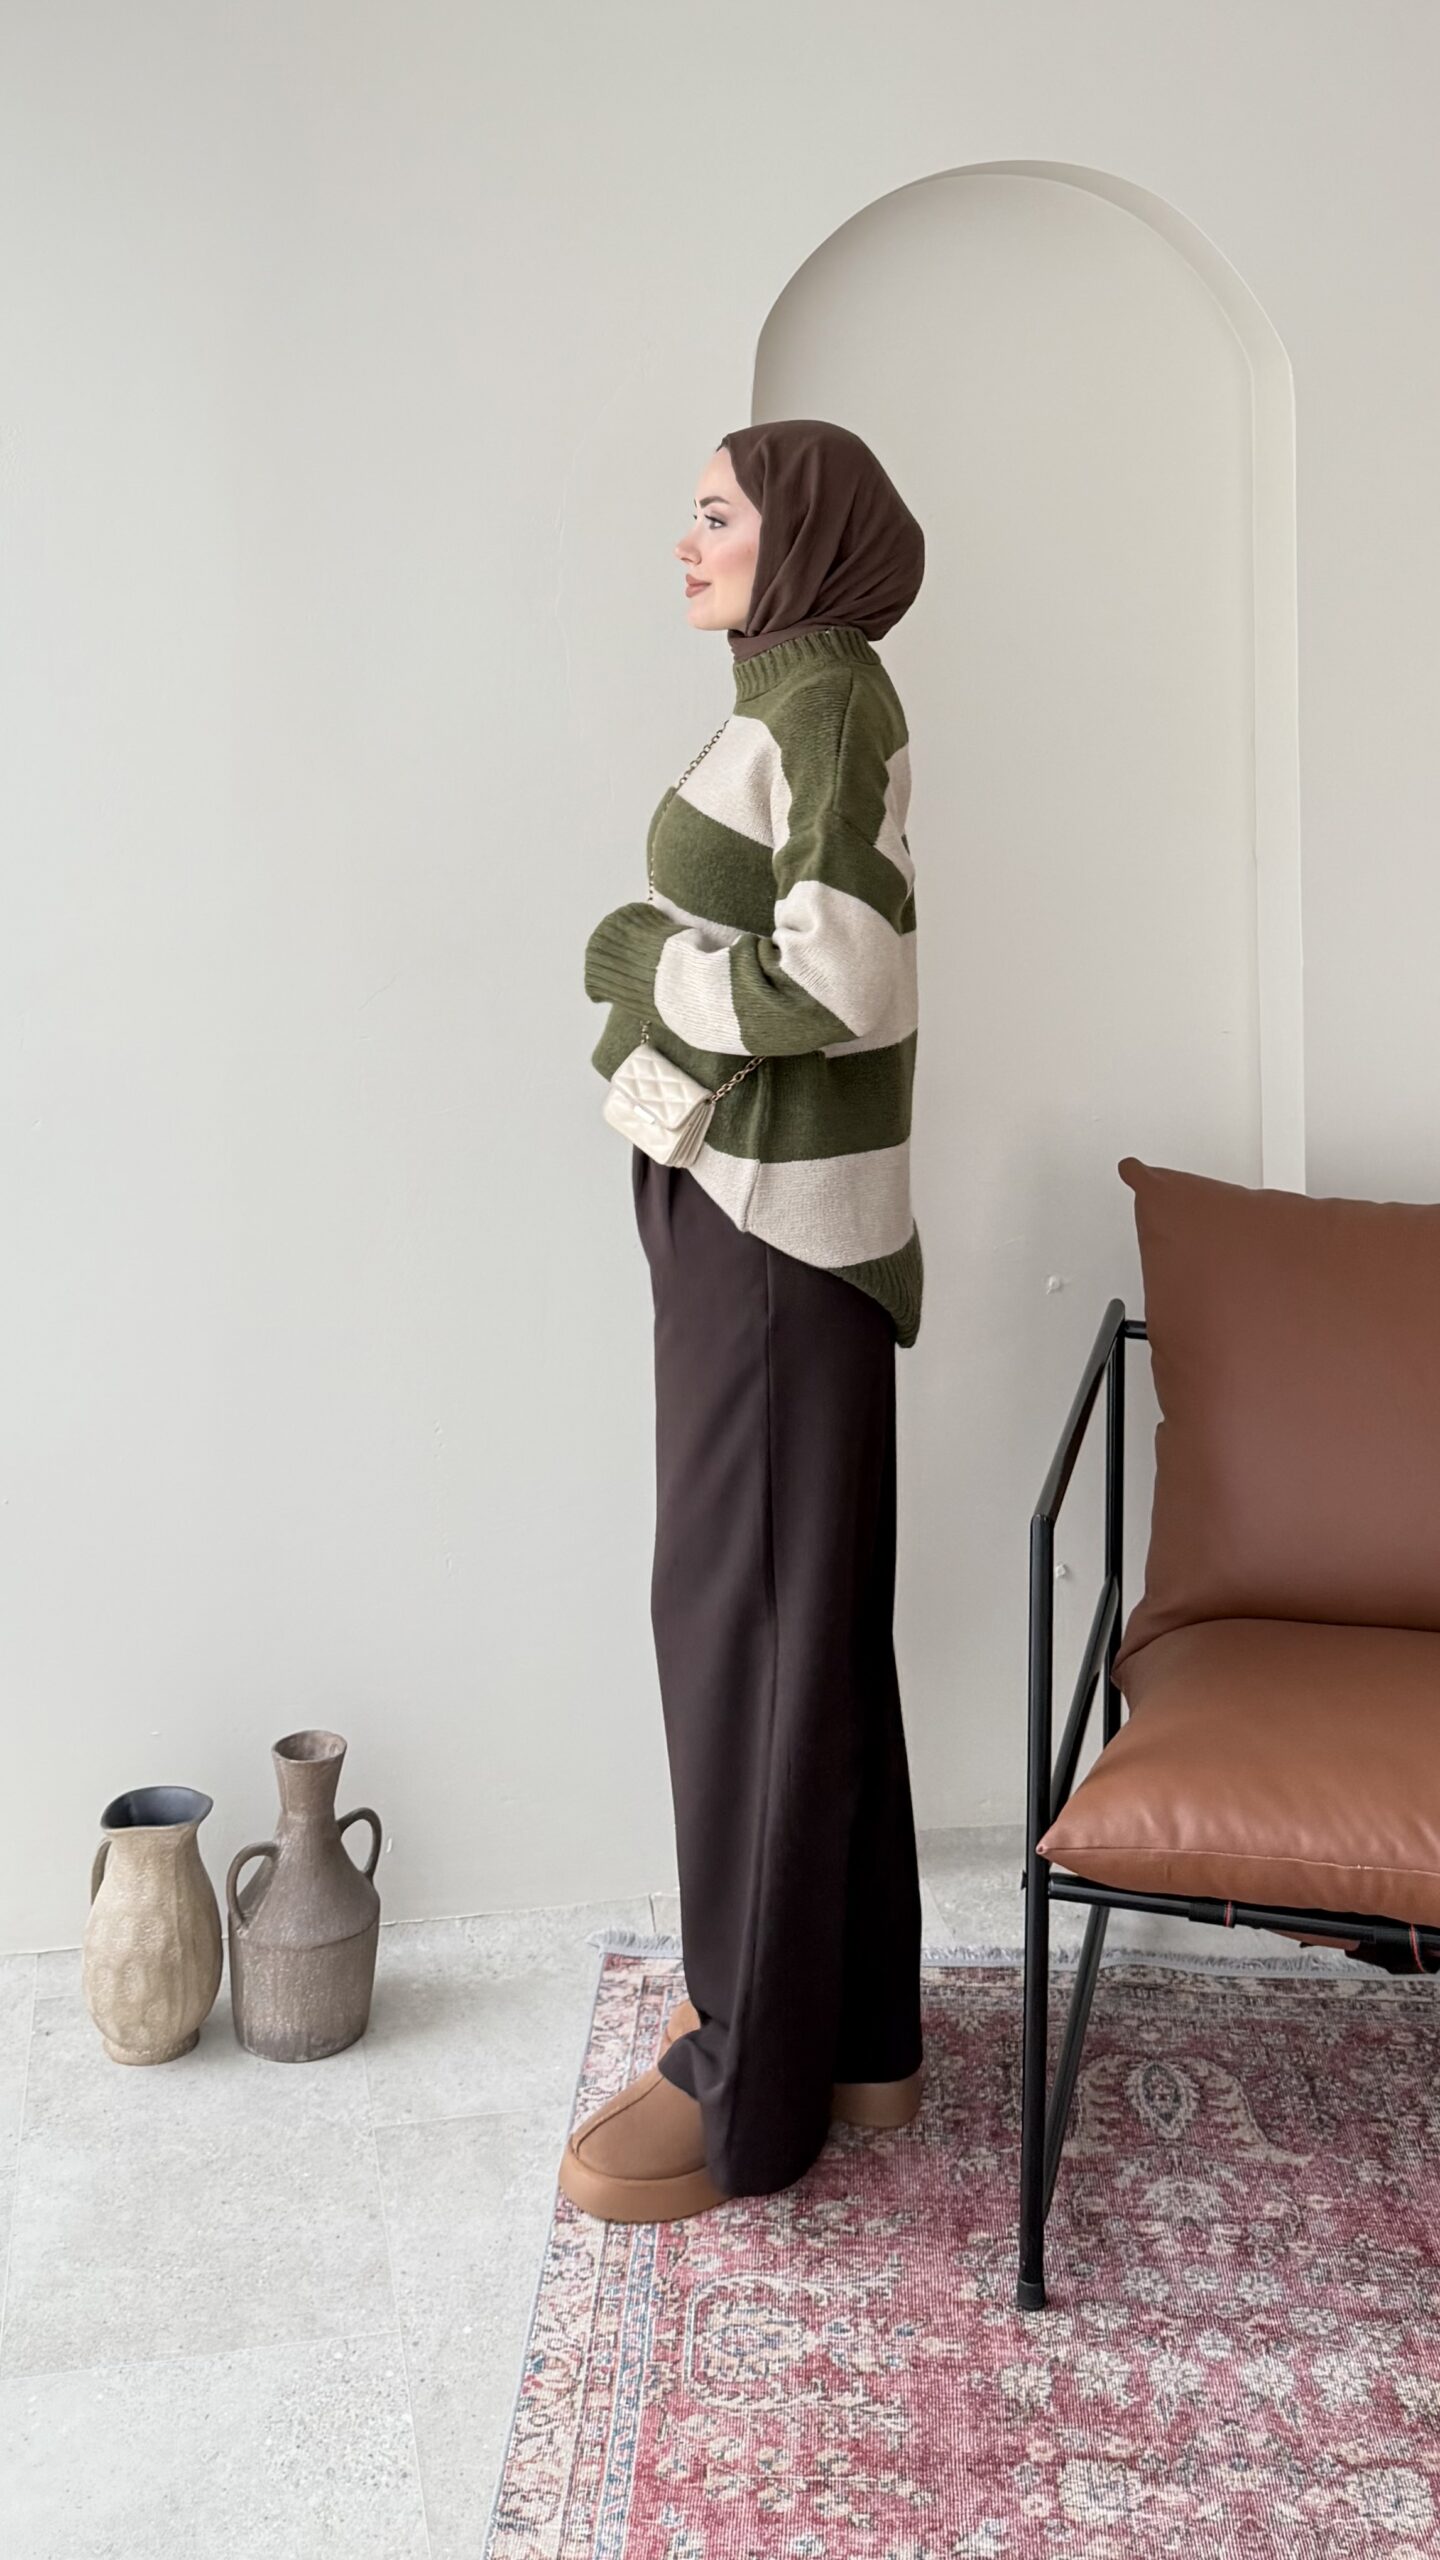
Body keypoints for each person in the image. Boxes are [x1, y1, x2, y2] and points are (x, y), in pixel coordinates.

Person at [563, 419, 928, 2223]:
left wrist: (644, 965)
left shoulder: (826, 700)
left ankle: (744, 2091)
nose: (687, 542)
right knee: (807, 1633)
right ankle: (853, 2040)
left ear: (801, 533)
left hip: (775, 1243)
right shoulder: (791, 692)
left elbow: (851, 977)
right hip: (760, 1226)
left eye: (715, 513)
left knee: (740, 1636)